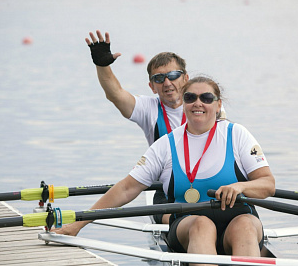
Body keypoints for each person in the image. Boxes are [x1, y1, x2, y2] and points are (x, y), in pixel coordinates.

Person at [54, 76, 275, 265]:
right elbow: (127, 188)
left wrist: (241, 186)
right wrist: (78, 225)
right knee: (202, 224)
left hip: (239, 217)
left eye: (206, 98)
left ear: (218, 106)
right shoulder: (165, 145)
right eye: (190, 98)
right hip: (189, 224)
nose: (198, 103)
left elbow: (268, 184)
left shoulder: (237, 134)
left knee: (245, 225)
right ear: (184, 103)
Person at [85, 30, 226, 224]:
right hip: (167, 189)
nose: (167, 83)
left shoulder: (207, 104)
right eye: (159, 79)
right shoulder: (148, 109)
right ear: (152, 86)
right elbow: (116, 94)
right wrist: (102, 65)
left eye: (173, 75)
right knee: (195, 223)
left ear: (185, 78)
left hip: (211, 183)